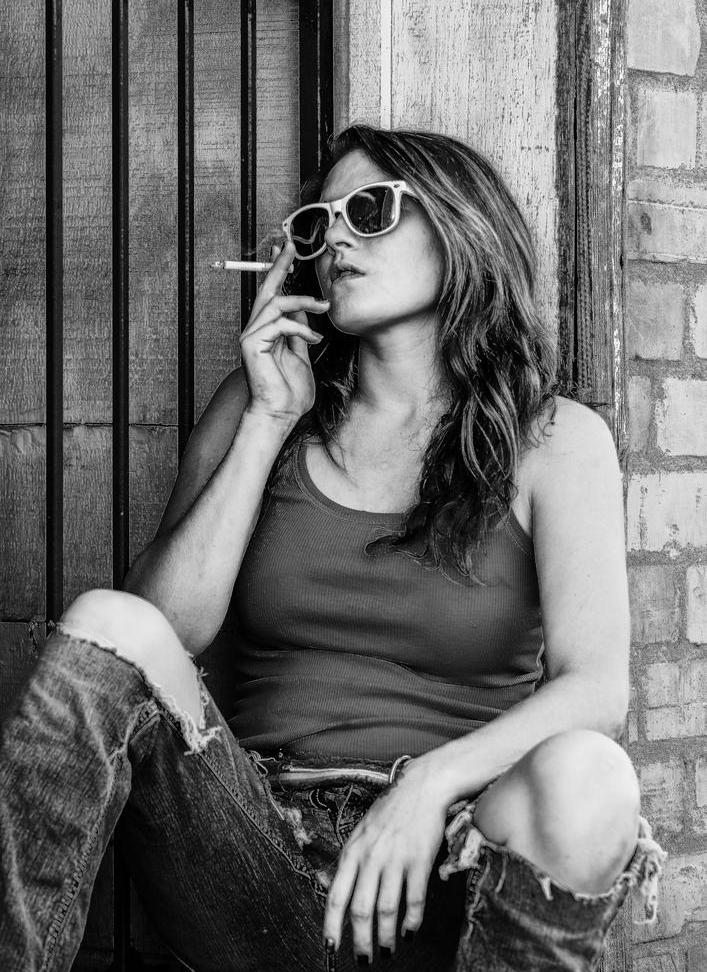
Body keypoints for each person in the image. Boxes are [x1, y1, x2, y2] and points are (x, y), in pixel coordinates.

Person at [0, 125, 664, 972]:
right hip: (256, 849)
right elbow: (152, 640)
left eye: (370, 210)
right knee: (105, 618)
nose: (336, 238)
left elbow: (596, 689)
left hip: (448, 856)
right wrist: (267, 417)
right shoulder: (261, 405)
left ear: (460, 223)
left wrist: (426, 785)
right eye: (317, 225)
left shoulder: (554, 440)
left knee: (590, 775)